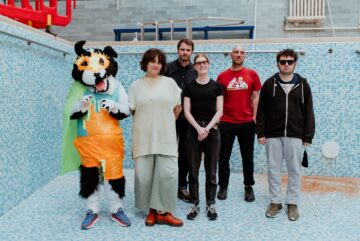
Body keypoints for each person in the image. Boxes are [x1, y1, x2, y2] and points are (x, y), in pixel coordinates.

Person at [256, 49, 315, 221]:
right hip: (273, 134)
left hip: (295, 134)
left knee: (294, 170)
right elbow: (261, 111)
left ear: (295, 63)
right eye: (283, 62)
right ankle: (275, 202)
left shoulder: (303, 85)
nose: (286, 64)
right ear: (278, 63)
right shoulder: (269, 84)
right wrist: (260, 132)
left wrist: (308, 136)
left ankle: (292, 203)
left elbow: (309, 111)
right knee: (273, 169)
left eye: (290, 61)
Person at [128, 48, 183, 227]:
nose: (156, 65)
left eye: (159, 62)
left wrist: (166, 123)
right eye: (153, 61)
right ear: (146, 63)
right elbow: (133, 110)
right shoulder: (136, 86)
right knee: (144, 175)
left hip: (165, 136)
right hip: (143, 137)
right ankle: (151, 211)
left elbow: (178, 106)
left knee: (168, 173)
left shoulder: (169, 83)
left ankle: (164, 212)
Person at [216, 45, 261, 202]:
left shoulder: (252, 74)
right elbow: (219, 99)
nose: (239, 55)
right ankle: (223, 186)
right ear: (231, 55)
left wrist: (254, 117)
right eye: (236, 52)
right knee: (223, 156)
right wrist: (219, 118)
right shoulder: (222, 76)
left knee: (247, 157)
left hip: (247, 122)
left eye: (241, 53)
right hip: (226, 122)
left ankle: (248, 187)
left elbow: (255, 97)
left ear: (245, 56)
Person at [183, 54, 223, 221]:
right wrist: (198, 129)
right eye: (198, 63)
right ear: (194, 66)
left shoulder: (217, 86)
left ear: (209, 63)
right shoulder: (189, 87)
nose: (202, 65)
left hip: (212, 130)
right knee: (193, 170)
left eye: (204, 62)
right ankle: (195, 203)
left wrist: (206, 129)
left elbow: (220, 111)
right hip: (193, 130)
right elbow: (186, 111)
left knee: (211, 170)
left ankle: (210, 203)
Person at [165, 38, 197, 203]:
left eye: (188, 50)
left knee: (185, 153)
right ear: (178, 50)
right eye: (182, 49)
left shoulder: (195, 70)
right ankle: (166, 185)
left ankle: (181, 187)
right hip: (169, 117)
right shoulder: (168, 68)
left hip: (187, 118)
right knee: (167, 151)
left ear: (192, 52)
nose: (185, 53)